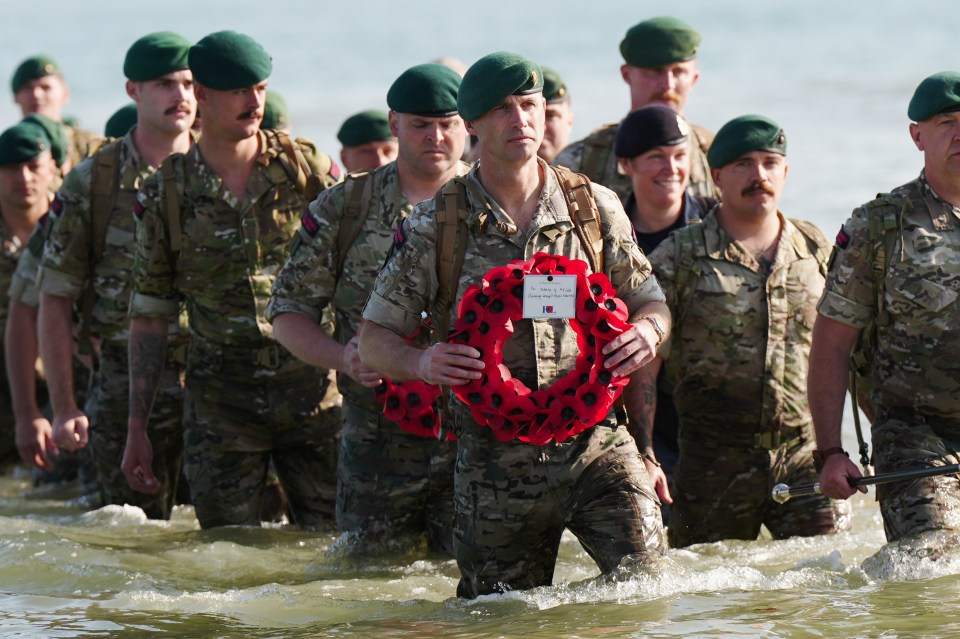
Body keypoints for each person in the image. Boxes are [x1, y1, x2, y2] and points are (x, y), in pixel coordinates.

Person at [358, 52, 668, 597]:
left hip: (595, 442)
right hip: (492, 461)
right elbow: (374, 339)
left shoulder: (592, 207)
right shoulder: (437, 224)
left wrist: (647, 333)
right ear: (472, 125)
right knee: (500, 614)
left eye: (530, 105)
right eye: (502, 109)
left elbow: (652, 303)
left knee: (648, 587)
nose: (521, 120)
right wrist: (423, 362)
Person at [126, 30, 341, 529]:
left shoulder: (303, 168)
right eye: (238, 90)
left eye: (260, 88)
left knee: (338, 551)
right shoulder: (166, 195)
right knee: (230, 558)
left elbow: (363, 265)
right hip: (220, 407)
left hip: (313, 395)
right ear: (201, 94)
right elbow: (151, 315)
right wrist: (138, 426)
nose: (254, 102)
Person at [268, 63, 469, 553]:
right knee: (369, 587)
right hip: (378, 445)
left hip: (474, 439)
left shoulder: (496, 204)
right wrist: (343, 358)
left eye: (449, 123)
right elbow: (287, 312)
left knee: (476, 597)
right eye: (421, 124)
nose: (436, 136)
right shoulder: (346, 207)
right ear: (394, 124)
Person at [643, 115, 849, 548]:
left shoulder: (815, 251)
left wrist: (848, 449)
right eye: (742, 165)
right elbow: (644, 365)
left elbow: (854, 351)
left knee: (828, 585)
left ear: (785, 171)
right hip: (711, 463)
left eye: (770, 162)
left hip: (805, 458)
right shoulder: (679, 257)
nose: (759, 175)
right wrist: (643, 453)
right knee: (706, 597)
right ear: (716, 175)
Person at [36, 32, 196, 520]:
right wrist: (63, 407)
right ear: (133, 91)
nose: (181, 96)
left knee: (229, 543)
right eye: (165, 84)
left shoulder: (218, 168)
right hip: (124, 388)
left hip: (218, 386)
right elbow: (55, 297)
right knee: (134, 538)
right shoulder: (94, 181)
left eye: (190, 83)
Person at [811, 71, 960, 543]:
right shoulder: (880, 226)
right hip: (915, 434)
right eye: (946, 122)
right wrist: (831, 452)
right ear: (917, 134)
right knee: (932, 568)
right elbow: (831, 344)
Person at [614, 104, 717, 519]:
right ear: (626, 164)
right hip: (637, 416)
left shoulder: (718, 221)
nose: (671, 168)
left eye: (679, 155)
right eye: (656, 156)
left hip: (708, 413)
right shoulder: (605, 231)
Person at [553, 16, 716, 203]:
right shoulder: (583, 161)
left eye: (678, 72)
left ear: (694, 79)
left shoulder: (715, 155)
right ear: (626, 74)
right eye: (655, 71)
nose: (667, 84)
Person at [0, 120, 59, 469]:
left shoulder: (72, 222)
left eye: (33, 167)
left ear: (53, 168)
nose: (24, 178)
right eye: (10, 168)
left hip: (62, 380)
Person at [10, 55, 100, 168]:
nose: (36, 94)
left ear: (65, 94)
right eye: (28, 88)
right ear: (15, 97)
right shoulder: (8, 146)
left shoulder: (89, 145)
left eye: (45, 87)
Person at [536, 66, 574, 165]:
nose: (541, 127)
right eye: (534, 116)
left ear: (570, 122)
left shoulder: (591, 171)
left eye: (550, 116)